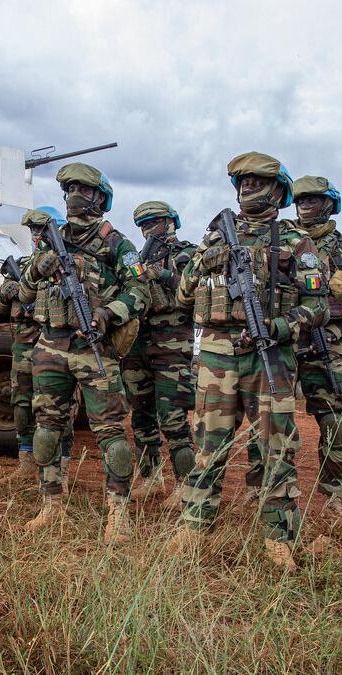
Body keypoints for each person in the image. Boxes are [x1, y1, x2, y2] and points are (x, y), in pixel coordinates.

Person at [169, 152, 328, 570]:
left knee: (277, 449)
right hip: (217, 356)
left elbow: (319, 306)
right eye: (241, 181)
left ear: (278, 190)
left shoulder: (296, 242)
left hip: (270, 357)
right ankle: (193, 527)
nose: (247, 188)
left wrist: (280, 327)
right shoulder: (213, 239)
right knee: (208, 445)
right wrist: (204, 261)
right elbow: (183, 297)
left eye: (257, 181)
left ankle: (278, 538)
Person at [18, 162, 149, 542]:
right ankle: (51, 504)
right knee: (46, 428)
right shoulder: (48, 240)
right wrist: (35, 271)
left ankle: (118, 515)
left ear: (100, 198)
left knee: (111, 433)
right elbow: (24, 296)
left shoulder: (116, 244)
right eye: (71, 187)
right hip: (50, 346)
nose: (76, 194)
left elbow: (140, 291)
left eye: (85, 189)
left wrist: (109, 312)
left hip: (95, 350)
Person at [287, 176, 342, 514]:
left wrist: (335, 333)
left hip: (325, 345)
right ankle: (269, 486)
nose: (305, 204)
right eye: (301, 199)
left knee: (332, 420)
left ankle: (334, 493)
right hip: (285, 342)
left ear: (330, 204)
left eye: (313, 199)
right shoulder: (284, 240)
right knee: (273, 419)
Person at [121, 201, 198, 503]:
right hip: (139, 341)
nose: (147, 229)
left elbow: (195, 291)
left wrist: (161, 275)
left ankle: (187, 486)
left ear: (171, 222)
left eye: (153, 222)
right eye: (143, 224)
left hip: (172, 344)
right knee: (141, 414)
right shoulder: (138, 258)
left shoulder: (187, 253)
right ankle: (151, 477)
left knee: (173, 417)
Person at [0, 207, 76, 488]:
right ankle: (26, 461)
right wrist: (6, 295)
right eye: (32, 230)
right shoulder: (21, 264)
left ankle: (62, 469)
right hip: (23, 345)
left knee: (58, 410)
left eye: (40, 230)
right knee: (20, 404)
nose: (35, 235)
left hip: (55, 345)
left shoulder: (65, 264)